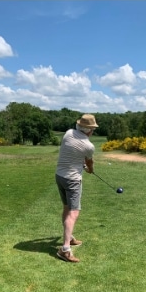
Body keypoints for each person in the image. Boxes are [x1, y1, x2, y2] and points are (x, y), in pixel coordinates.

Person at [55, 113, 97, 263]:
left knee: (67, 208)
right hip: (72, 180)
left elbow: (72, 153)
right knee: (74, 213)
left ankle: (69, 237)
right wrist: (89, 169)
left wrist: (83, 165)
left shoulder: (68, 133)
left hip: (59, 176)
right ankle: (65, 249)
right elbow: (89, 163)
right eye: (93, 128)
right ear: (89, 130)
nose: (93, 131)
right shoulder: (88, 146)